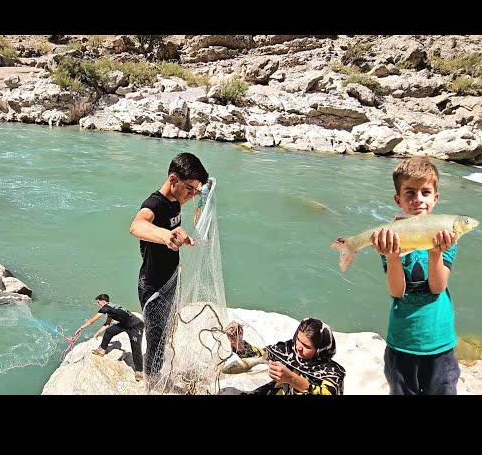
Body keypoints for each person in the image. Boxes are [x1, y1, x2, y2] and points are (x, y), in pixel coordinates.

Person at [370, 156, 460, 395]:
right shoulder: (390, 236)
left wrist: (435, 254)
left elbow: (437, 287)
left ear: (435, 198)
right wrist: (392, 256)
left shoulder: (446, 234)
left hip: (440, 343)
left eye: (425, 192)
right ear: (398, 199)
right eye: (410, 193)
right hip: (401, 342)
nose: (418, 199)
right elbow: (396, 291)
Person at [129, 152, 209, 378]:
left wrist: (204, 191)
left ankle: (156, 372)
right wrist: (165, 236)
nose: (192, 195)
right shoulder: (155, 203)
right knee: (156, 340)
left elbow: (201, 188)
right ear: (173, 180)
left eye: (196, 191)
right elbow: (137, 225)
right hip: (153, 286)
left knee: (165, 333)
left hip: (170, 278)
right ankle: (152, 383)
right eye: (189, 189)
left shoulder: (176, 199)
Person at [225, 318, 345, 395]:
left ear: (320, 350)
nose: (298, 347)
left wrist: (291, 378)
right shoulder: (288, 350)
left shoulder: (333, 373)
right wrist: (238, 342)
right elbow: (259, 355)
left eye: (306, 346)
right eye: (298, 339)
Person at [74, 293, 145, 381]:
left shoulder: (106, 308)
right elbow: (107, 324)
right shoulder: (110, 308)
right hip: (124, 324)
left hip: (136, 326)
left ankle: (139, 371)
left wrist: (81, 328)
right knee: (109, 331)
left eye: (98, 302)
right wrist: (97, 333)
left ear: (103, 301)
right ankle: (102, 350)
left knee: (136, 348)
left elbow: (91, 321)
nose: (98, 305)